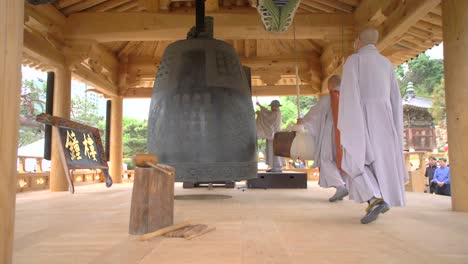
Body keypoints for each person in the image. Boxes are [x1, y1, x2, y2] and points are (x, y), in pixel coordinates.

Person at [338, 27, 408, 224]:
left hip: (361, 115)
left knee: (354, 158)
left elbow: (350, 92)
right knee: (380, 160)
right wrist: (395, 123)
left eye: (355, 40)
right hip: (385, 118)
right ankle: (377, 197)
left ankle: (375, 198)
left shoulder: (355, 60)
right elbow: (395, 97)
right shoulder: (386, 63)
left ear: (359, 41)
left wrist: (347, 120)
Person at [298, 75, 349, 202]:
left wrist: (302, 121)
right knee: (343, 159)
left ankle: (340, 186)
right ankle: (344, 185)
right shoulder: (350, 97)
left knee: (326, 158)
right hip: (348, 133)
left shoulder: (329, 98)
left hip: (331, 131)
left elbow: (315, 113)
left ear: (331, 84)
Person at [256, 100, 285, 172]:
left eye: (272, 106)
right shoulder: (277, 112)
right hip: (275, 135)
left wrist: (260, 115)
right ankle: (276, 166)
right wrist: (260, 106)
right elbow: (268, 113)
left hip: (274, 135)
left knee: (274, 150)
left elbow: (268, 120)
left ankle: (277, 166)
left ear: (276, 106)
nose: (271, 108)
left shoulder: (276, 113)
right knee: (274, 150)